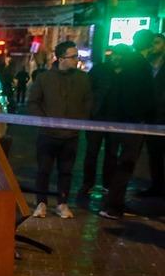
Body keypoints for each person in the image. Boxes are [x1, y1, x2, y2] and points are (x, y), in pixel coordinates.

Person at [26, 41, 92, 219]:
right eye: (73, 56)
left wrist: (80, 120)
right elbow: (33, 102)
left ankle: (62, 203)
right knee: (43, 170)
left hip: (71, 135)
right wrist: (44, 121)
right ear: (61, 58)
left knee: (66, 171)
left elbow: (88, 102)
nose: (76, 59)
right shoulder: (45, 78)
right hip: (48, 134)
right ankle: (41, 203)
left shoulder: (82, 78)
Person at [101, 30, 157, 219]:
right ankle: (113, 206)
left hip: (125, 120)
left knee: (123, 163)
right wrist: (140, 117)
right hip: (131, 123)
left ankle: (115, 203)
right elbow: (135, 96)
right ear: (149, 45)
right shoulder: (139, 65)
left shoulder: (130, 63)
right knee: (126, 163)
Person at [79, 47, 125, 198]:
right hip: (97, 117)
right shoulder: (101, 69)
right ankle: (88, 183)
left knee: (112, 153)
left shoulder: (127, 72)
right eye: (115, 54)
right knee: (92, 152)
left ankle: (107, 183)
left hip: (116, 119)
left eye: (119, 55)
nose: (116, 57)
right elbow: (88, 89)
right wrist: (89, 110)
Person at [135, 33, 165, 198]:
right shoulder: (145, 65)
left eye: (158, 43)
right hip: (152, 117)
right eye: (152, 43)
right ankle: (157, 185)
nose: (154, 46)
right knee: (155, 155)